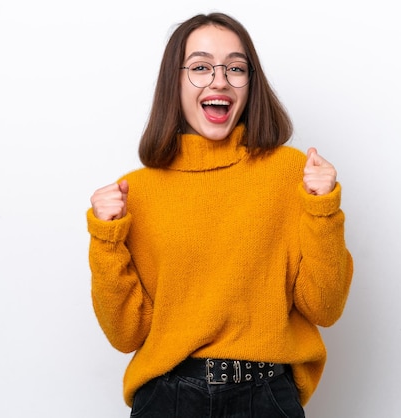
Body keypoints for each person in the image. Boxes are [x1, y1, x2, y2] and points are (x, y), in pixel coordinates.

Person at [87, 12, 353, 417]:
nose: (219, 80)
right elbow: (126, 334)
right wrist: (105, 240)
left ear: (251, 82)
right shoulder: (134, 193)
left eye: (235, 67)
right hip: (167, 398)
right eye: (200, 67)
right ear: (173, 83)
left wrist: (323, 209)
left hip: (266, 396)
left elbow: (325, 308)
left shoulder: (290, 173)